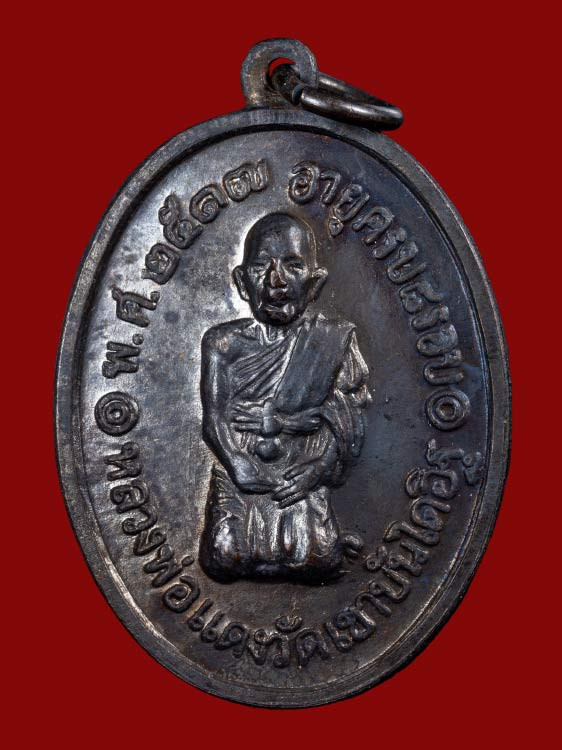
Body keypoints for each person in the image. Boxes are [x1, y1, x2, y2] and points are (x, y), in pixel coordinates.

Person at [199, 212, 371, 582]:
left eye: (292, 265)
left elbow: (349, 421)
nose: (276, 281)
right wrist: (237, 463)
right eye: (261, 266)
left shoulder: (333, 341)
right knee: (225, 556)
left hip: (300, 476)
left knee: (314, 558)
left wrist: (316, 471)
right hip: (242, 474)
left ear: (314, 283)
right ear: (242, 282)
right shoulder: (223, 343)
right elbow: (214, 419)